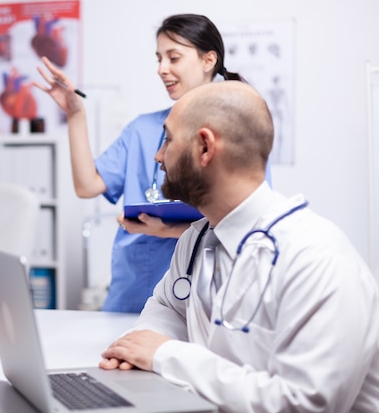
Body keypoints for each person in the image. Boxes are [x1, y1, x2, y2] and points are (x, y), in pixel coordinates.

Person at [99, 80, 379, 412]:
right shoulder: (198, 237)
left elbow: (304, 405)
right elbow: (168, 309)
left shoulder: (317, 257)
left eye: (169, 140)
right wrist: (136, 349)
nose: (159, 156)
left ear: (205, 147)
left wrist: (165, 355)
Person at [36, 13, 263, 313]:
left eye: (174, 58)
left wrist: (166, 230)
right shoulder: (143, 130)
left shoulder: (239, 132)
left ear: (208, 60)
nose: (161, 69)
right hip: (133, 293)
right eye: (158, 59)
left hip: (205, 297)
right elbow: (87, 185)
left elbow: (247, 223)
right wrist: (75, 114)